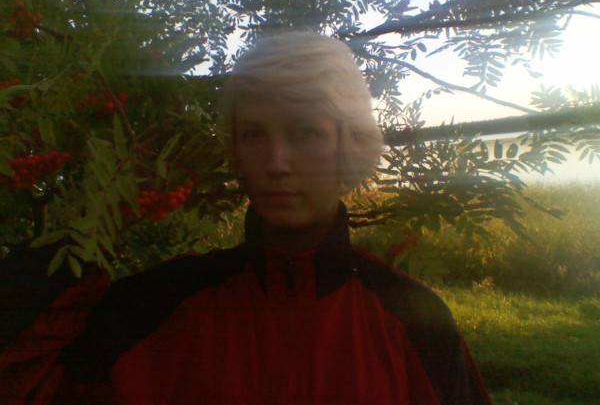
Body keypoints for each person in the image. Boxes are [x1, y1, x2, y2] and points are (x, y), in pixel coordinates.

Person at [0, 32, 492, 404]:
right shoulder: (158, 305)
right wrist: (95, 223)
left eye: (304, 133)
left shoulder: (416, 320)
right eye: (254, 135)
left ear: (351, 146)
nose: (276, 162)